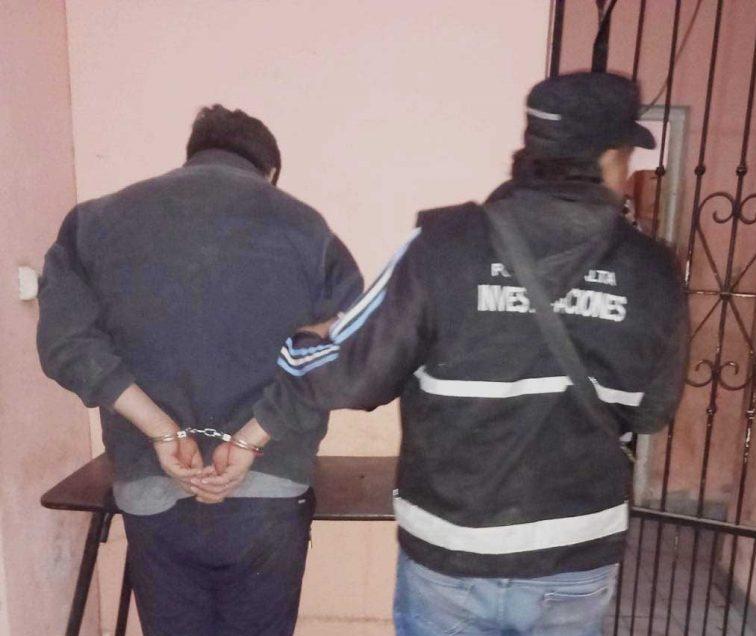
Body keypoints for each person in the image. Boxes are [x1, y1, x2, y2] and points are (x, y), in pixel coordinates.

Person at [217, 73, 690, 635]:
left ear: (533, 149)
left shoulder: (442, 246)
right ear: (611, 157)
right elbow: (653, 412)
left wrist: (306, 342)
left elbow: (351, 374)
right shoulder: (654, 271)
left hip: (452, 556)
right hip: (574, 555)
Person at [37, 104, 362, 636]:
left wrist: (161, 431)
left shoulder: (94, 222)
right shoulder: (307, 228)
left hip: (150, 479)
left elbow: (64, 342)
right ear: (270, 172)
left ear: (192, 155)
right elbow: (350, 345)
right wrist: (254, 436)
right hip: (269, 483)